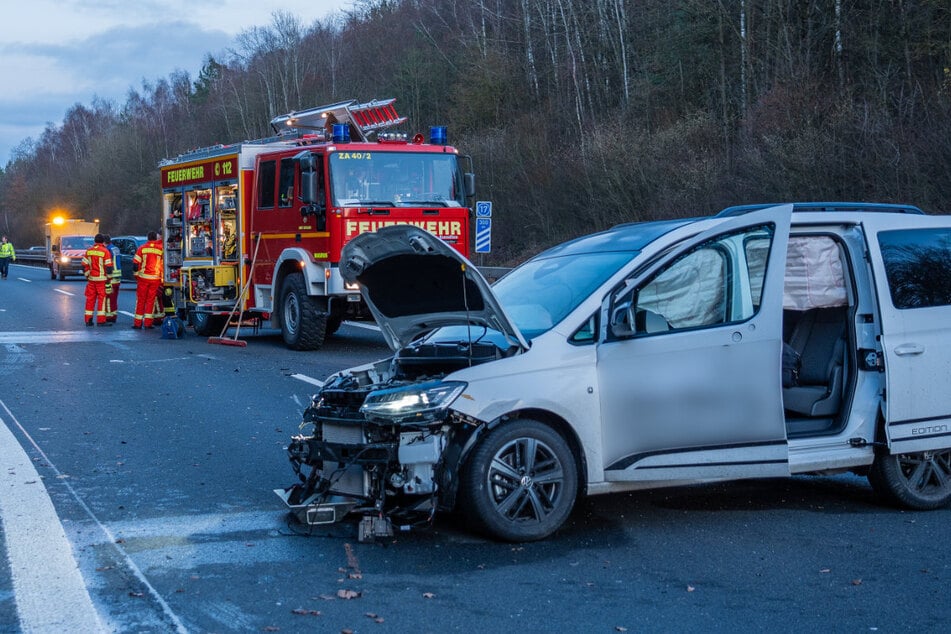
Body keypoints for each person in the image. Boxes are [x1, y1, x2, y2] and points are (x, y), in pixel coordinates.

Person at [132, 231, 164, 329]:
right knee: (151, 301)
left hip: (143, 278)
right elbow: (163, 265)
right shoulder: (160, 249)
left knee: (141, 300)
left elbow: (135, 264)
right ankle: (148, 323)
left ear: (147, 238)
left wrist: (136, 275)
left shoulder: (142, 248)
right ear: (156, 238)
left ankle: (137, 323)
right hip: (155, 278)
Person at [81, 234, 114, 326]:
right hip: (101, 280)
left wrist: (87, 275)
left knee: (90, 300)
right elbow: (109, 268)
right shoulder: (105, 251)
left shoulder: (89, 251)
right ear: (103, 241)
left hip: (91, 280)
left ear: (94, 241)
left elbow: (84, 265)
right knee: (101, 300)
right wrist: (109, 278)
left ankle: (88, 320)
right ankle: (101, 320)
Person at [103, 235, 121, 323]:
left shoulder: (107, 250)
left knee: (108, 298)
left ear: (104, 242)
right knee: (114, 298)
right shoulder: (115, 248)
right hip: (117, 277)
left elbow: (108, 264)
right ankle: (114, 315)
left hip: (111, 277)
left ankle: (109, 316)